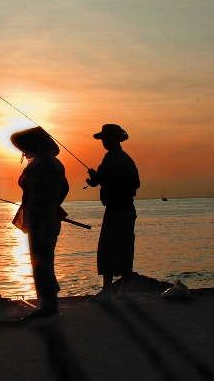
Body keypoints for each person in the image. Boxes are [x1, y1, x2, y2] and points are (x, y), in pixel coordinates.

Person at [10, 127, 69, 320]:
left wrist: (48, 205)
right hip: (42, 219)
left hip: (43, 220)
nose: (25, 151)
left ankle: (48, 305)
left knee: (42, 262)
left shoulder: (46, 164)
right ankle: (47, 303)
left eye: (28, 147)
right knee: (42, 262)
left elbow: (57, 189)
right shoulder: (50, 163)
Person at [85, 124, 140, 300]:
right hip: (126, 209)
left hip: (117, 209)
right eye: (103, 139)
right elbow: (134, 183)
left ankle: (108, 289)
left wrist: (98, 179)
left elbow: (104, 179)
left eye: (107, 138)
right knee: (124, 247)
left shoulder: (112, 158)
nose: (104, 142)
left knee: (108, 247)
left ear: (115, 139)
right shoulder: (126, 159)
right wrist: (99, 179)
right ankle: (123, 289)